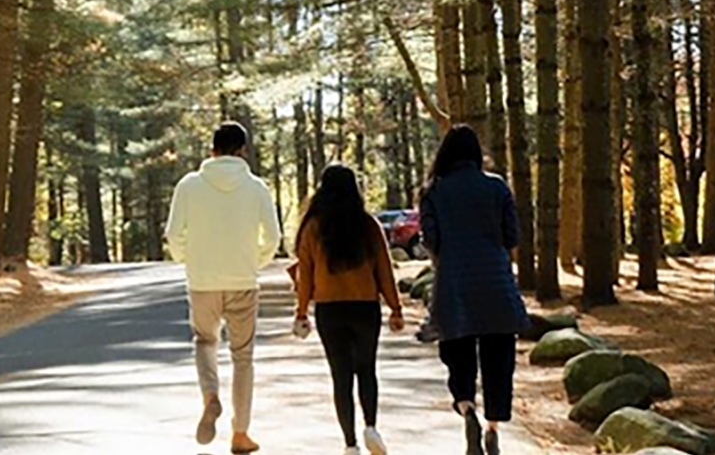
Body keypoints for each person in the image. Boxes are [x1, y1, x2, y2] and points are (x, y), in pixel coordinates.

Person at [165, 122, 282, 454]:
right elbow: (272, 238)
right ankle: (240, 434)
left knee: (205, 340)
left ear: (212, 149)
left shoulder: (189, 186)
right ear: (242, 150)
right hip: (243, 280)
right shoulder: (257, 188)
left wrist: (189, 259)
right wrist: (253, 262)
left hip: (202, 281)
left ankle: (210, 395)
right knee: (243, 357)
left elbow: (174, 234)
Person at [419, 125, 529, 455]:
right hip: (496, 283)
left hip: (454, 285)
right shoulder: (497, 187)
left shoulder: (433, 191)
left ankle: (467, 409)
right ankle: (494, 426)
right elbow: (512, 236)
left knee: (457, 354)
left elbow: (431, 241)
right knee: (499, 356)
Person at [292, 163, 406, 455]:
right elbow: (384, 269)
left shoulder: (312, 227)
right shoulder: (368, 224)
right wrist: (395, 307)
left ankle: (350, 444)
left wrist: (302, 311)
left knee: (340, 376)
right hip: (365, 306)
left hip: (330, 310)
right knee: (366, 369)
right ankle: (371, 427)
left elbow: (305, 273)